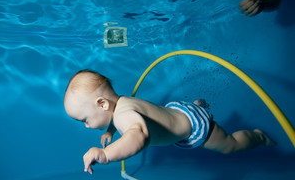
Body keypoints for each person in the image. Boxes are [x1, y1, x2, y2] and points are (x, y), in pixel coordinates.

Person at [64, 70, 276, 174]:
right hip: (177, 110)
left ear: (102, 104)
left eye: (85, 119)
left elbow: (139, 135)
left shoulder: (123, 115)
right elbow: (121, 119)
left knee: (231, 145)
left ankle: (258, 137)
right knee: (180, 115)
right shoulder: (120, 105)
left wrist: (106, 154)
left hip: (193, 127)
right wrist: (110, 130)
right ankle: (196, 105)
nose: (86, 125)